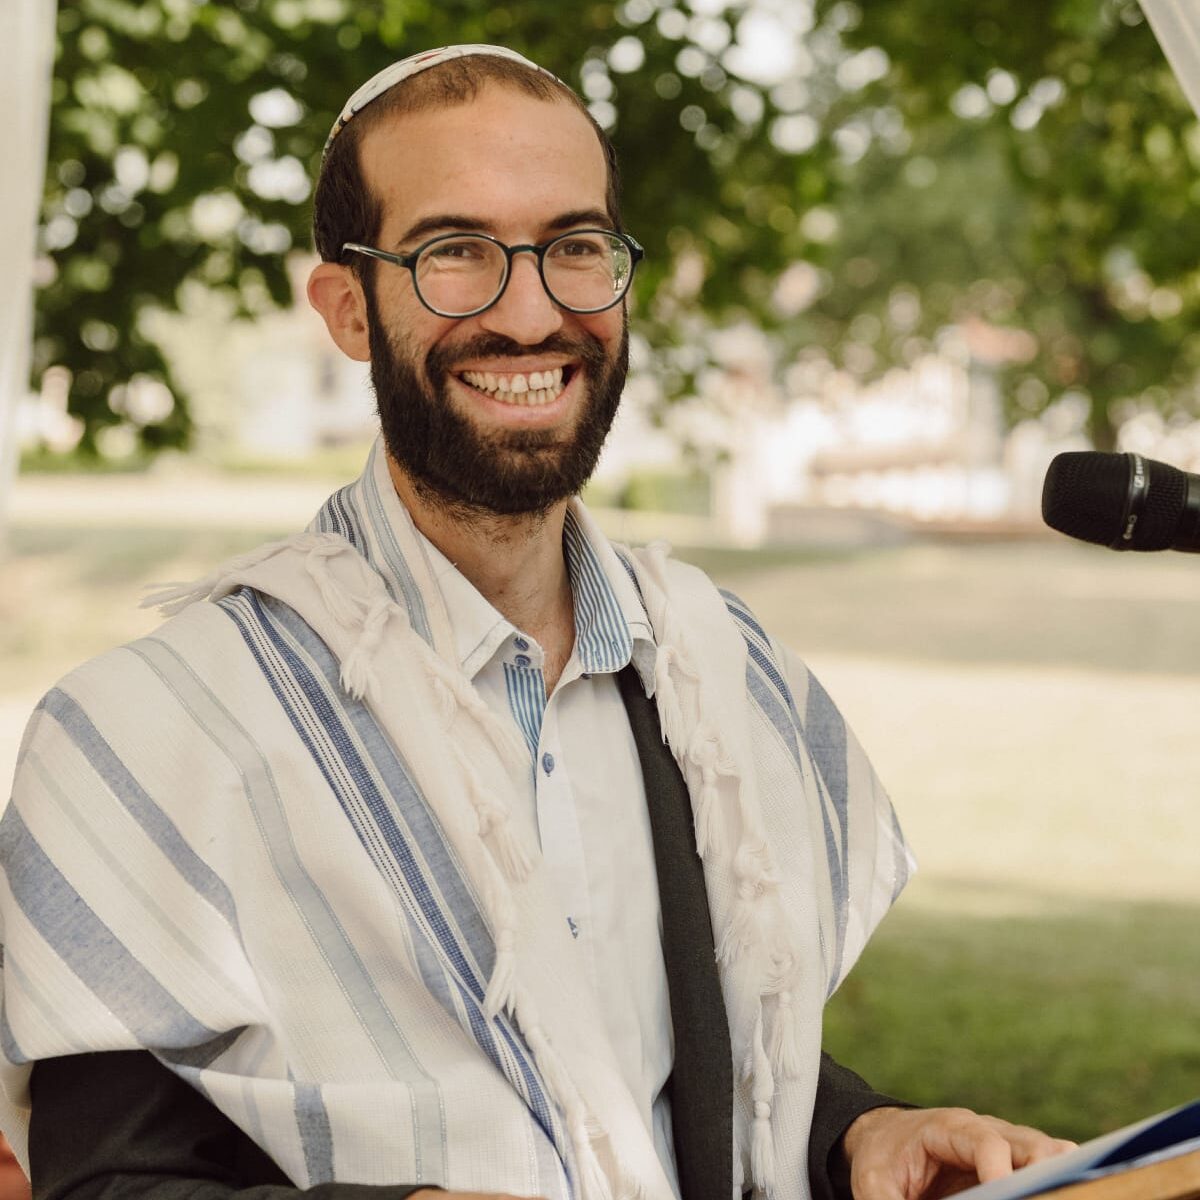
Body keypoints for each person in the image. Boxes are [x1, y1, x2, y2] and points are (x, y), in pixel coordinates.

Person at [0, 44, 1071, 1200]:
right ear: (347, 308)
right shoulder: (156, 729)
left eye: (573, 248)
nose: (530, 312)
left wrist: (862, 1131)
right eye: (455, 252)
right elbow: (103, 1182)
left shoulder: (721, 670)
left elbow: (676, 1089)